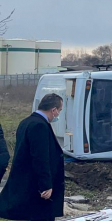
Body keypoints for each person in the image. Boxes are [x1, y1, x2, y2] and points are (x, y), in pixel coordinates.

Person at [0, 93, 65, 221]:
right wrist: (46, 185)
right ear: (54, 110)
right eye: (60, 110)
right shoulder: (39, 126)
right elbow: (40, 158)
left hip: (26, 183)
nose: (58, 114)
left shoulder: (26, 122)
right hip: (36, 187)